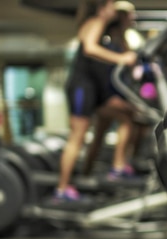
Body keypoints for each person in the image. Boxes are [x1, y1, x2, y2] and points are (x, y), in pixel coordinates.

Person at [56, 0, 138, 201]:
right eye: (111, 4)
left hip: (95, 89)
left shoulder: (109, 30)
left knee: (127, 115)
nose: (114, 9)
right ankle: (62, 188)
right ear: (102, 8)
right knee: (78, 136)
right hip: (81, 87)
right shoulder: (95, 21)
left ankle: (102, 171)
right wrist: (120, 59)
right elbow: (89, 49)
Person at [81, 0, 142, 176]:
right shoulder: (105, 29)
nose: (131, 18)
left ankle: (86, 172)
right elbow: (90, 49)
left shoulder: (121, 37)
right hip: (103, 91)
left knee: (100, 132)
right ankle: (117, 167)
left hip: (110, 91)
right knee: (128, 117)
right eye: (128, 15)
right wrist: (122, 59)